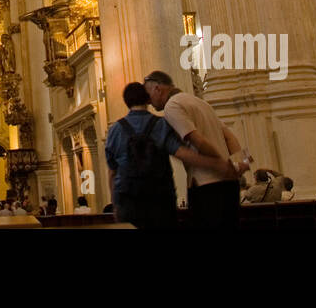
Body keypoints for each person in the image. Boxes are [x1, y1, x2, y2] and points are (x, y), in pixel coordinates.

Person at [105, 81, 240, 229]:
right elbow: (183, 154)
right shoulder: (160, 124)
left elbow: (112, 172)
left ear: (126, 102)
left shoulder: (115, 130)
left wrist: (115, 204)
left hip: (128, 201)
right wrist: (216, 164)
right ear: (147, 99)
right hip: (160, 201)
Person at [145, 70, 249, 228]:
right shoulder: (200, 102)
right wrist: (239, 163)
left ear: (158, 88)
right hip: (229, 185)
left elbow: (198, 141)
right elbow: (229, 136)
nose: (149, 101)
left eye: (148, 94)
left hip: (206, 186)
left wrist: (221, 165)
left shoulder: (172, 106)